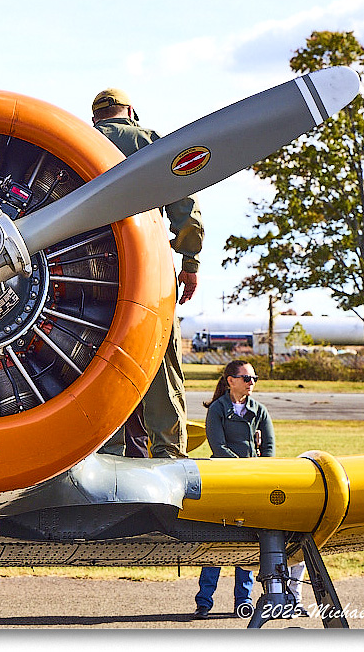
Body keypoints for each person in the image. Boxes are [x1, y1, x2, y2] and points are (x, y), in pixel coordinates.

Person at [91, 88, 204, 459]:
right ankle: (169, 452)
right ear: (131, 111)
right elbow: (185, 202)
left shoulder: (81, 140)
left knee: (92, 361)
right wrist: (190, 263)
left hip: (86, 276)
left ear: (96, 118)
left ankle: (100, 453)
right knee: (160, 359)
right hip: (147, 272)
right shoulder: (148, 141)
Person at [192, 359, 274, 619]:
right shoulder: (217, 409)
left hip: (252, 484)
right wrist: (243, 468)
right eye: (246, 378)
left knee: (246, 543)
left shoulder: (259, 410)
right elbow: (218, 446)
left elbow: (269, 447)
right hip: (225, 482)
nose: (251, 383)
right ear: (231, 380)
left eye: (254, 379)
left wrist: (260, 470)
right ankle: (204, 601)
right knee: (217, 542)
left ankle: (244, 600)